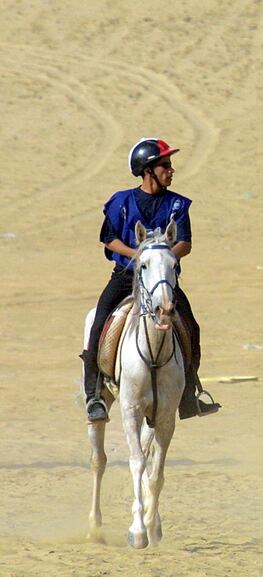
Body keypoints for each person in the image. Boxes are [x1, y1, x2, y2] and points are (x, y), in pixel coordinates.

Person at [81, 138, 221, 422]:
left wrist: (162, 257)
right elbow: (109, 240)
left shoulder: (178, 204)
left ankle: (189, 395)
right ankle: (94, 396)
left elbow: (185, 243)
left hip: (163, 280)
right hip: (125, 276)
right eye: (165, 166)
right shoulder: (121, 201)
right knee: (98, 324)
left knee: (191, 327)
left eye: (170, 166)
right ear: (148, 170)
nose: (171, 171)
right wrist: (138, 255)